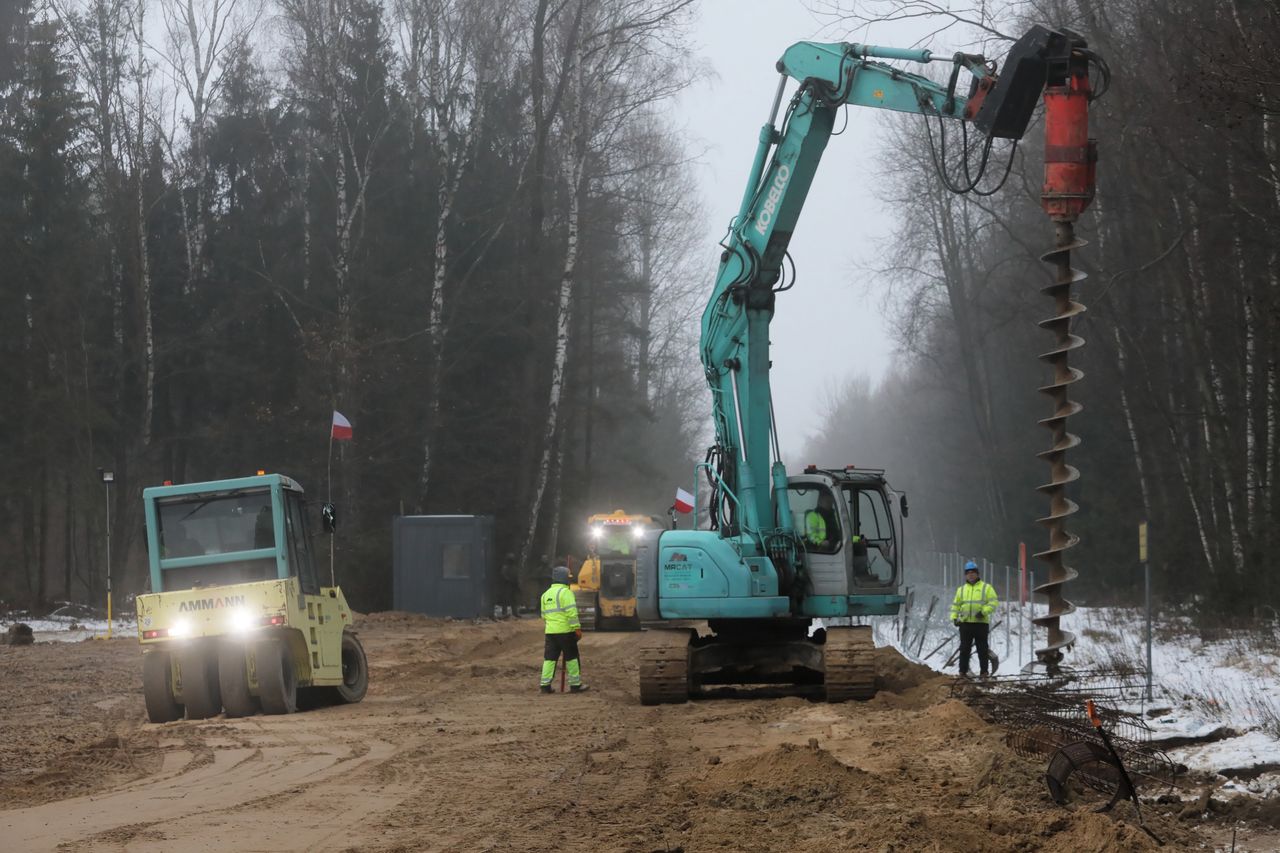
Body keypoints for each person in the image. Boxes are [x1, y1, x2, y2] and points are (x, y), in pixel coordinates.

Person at [540, 565, 588, 693]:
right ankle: (575, 685)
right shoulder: (566, 593)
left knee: (549, 659)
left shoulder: (545, 594)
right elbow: (572, 614)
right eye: (568, 578)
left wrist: (553, 625)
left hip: (550, 633)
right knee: (572, 658)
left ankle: (545, 686)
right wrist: (577, 629)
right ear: (564, 579)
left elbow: (543, 616)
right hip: (566, 632)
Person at [950, 560, 999, 677]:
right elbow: (956, 605)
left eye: (972, 572)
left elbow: (993, 603)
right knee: (964, 649)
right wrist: (954, 617)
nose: (970, 575)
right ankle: (962, 672)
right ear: (965, 575)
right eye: (968, 573)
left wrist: (983, 612)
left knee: (982, 649)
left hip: (981, 624)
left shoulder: (986, 588)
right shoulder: (961, 590)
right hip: (965, 624)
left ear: (977, 573)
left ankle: (984, 673)